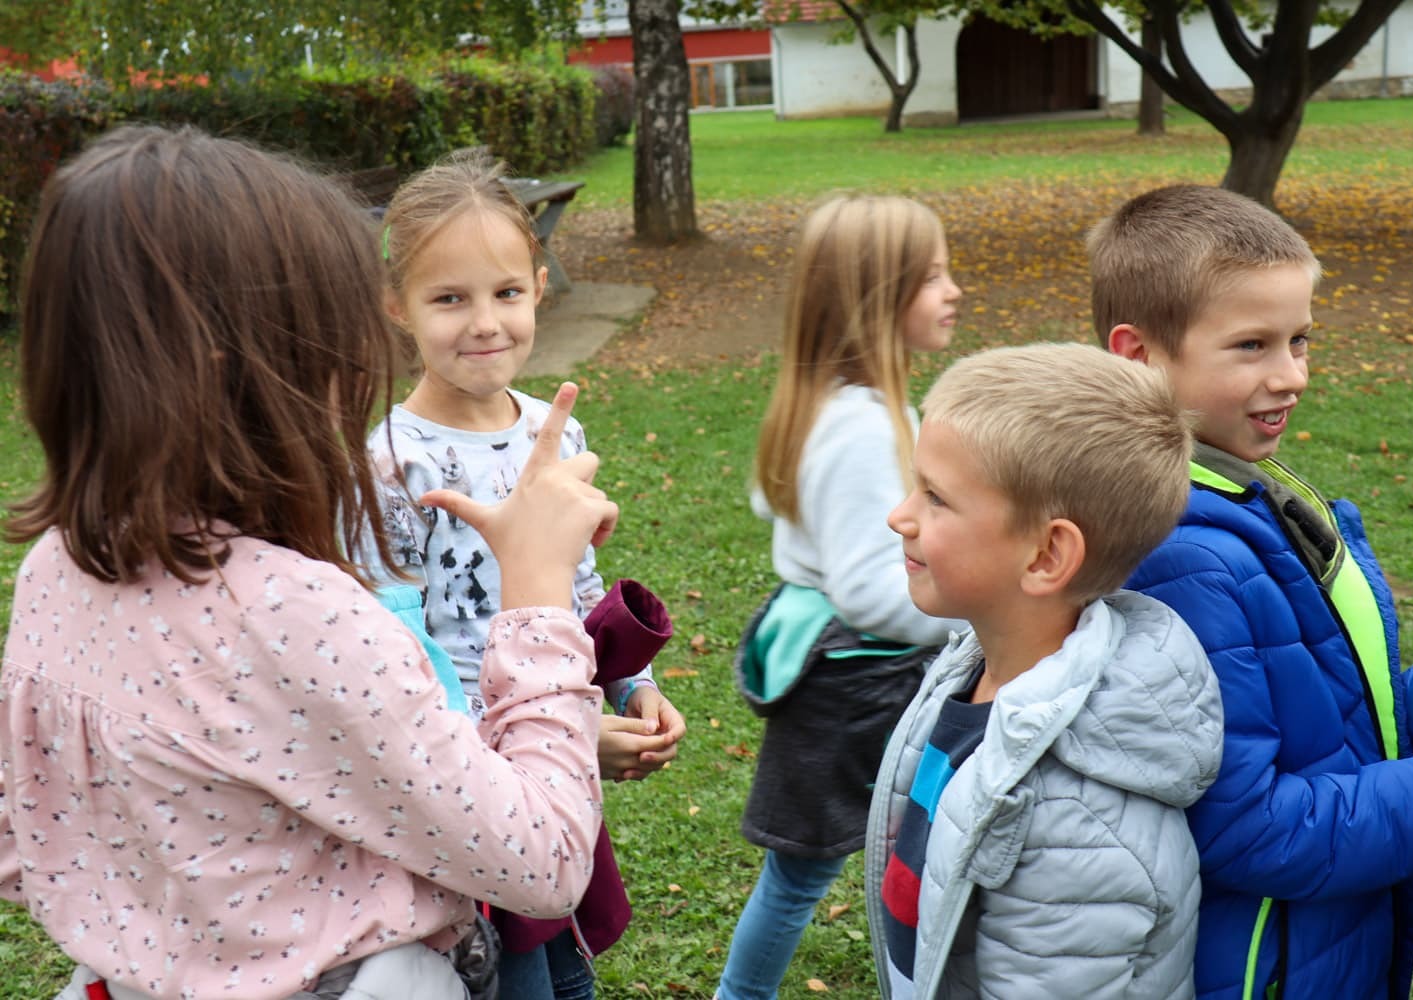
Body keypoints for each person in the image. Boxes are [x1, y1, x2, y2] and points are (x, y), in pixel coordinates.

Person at [0, 125, 616, 1000]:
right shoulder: (299, 614)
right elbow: (543, 861)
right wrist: (540, 596)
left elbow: (27, 842)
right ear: (268, 363)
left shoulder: (55, 572)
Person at [1092, 183, 1413, 1000]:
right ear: (1139, 356)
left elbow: (1331, 721)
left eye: (1300, 340)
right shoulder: (1182, 556)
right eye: (1252, 345)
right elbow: (1249, 829)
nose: (1292, 375)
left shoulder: (1246, 493)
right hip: (1264, 963)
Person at [369, 147, 686, 999]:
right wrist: (551, 735)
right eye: (449, 298)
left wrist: (628, 685)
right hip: (467, 785)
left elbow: (576, 582)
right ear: (397, 305)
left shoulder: (556, 431)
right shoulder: (389, 466)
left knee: (568, 970)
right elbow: (394, 659)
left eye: (506, 292)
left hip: (552, 753)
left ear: (539, 287)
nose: (485, 323)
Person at [865, 343, 1223, 999]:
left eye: (936, 498)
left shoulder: (1075, 828)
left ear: (1046, 555)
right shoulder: (975, 669)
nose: (899, 516)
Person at [717, 194, 966, 1000]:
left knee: (880, 856)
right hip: (854, 682)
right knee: (804, 875)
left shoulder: (834, 403)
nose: (954, 291)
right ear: (877, 300)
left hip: (839, 670)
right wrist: (970, 615)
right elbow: (868, 592)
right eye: (933, 277)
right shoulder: (861, 429)